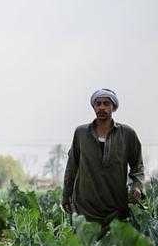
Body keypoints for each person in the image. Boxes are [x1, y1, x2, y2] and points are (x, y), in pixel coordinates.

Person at [62, 88, 145, 227]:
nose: (101, 107)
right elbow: (72, 166)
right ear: (93, 106)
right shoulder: (81, 133)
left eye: (106, 103)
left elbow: (137, 166)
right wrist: (66, 195)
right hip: (85, 208)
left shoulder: (127, 134)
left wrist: (137, 186)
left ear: (114, 107)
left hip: (116, 208)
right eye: (98, 103)